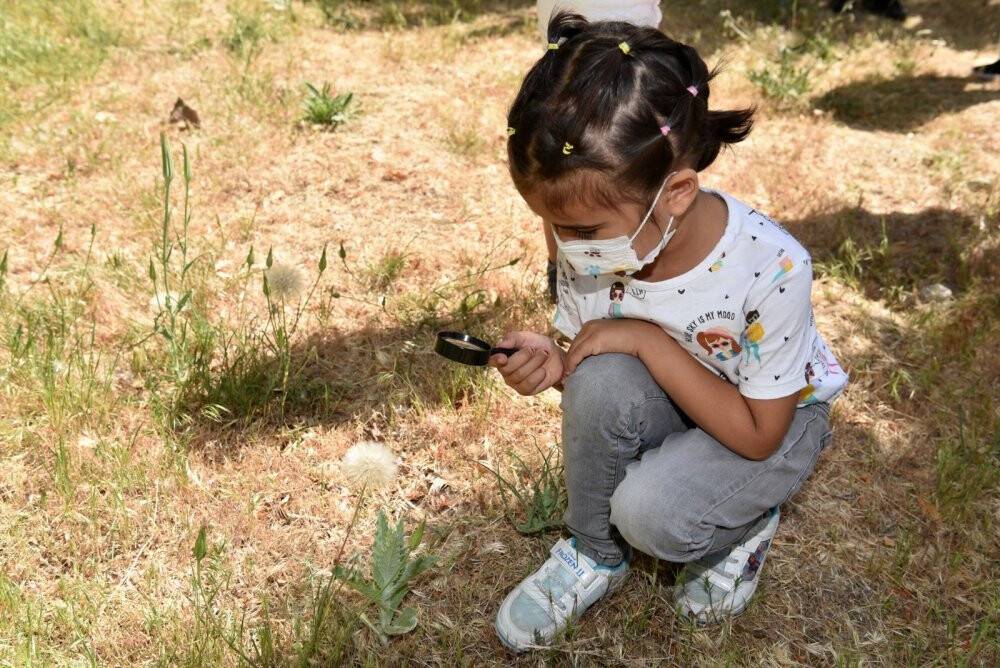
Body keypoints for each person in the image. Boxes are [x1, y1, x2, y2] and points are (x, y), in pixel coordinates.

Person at [490, 11, 848, 652]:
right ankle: (593, 552)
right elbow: (600, 374)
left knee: (652, 516)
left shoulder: (772, 267)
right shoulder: (600, 239)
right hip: (685, 399)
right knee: (602, 380)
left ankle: (743, 521)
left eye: (580, 231)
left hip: (774, 421)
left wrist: (646, 340)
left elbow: (759, 435)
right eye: (551, 225)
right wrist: (556, 364)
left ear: (676, 192)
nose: (565, 247)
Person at [536, 2, 664, 302]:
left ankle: (637, 267)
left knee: (629, 166)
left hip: (631, 62)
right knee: (559, 168)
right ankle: (561, 272)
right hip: (576, 57)